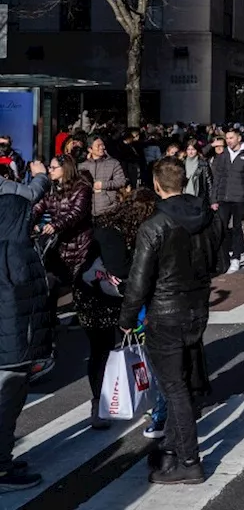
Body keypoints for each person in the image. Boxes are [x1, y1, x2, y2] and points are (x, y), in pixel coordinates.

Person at [119, 156, 225, 484]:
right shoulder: (208, 218)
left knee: (174, 385)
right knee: (184, 381)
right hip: (197, 307)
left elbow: (139, 280)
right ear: (183, 182)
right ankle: (174, 447)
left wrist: (126, 318)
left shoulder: (153, 226)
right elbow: (219, 265)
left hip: (164, 311)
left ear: (156, 186)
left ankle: (189, 459)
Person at [76, 185, 160, 432]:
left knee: (124, 346)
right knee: (102, 350)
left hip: (109, 294)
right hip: (96, 298)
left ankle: (137, 395)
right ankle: (99, 404)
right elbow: (121, 268)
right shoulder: (111, 233)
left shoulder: (116, 227)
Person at [0, 160, 51, 492]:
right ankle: (2, 468)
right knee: (8, 396)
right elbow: (27, 295)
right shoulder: (16, 249)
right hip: (12, 338)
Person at [31, 155, 94, 287]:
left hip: (79, 242)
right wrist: (28, 221)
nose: (50, 170)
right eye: (49, 168)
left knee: (76, 281)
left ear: (65, 169)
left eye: (54, 168)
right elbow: (39, 207)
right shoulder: (52, 188)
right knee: (57, 279)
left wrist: (56, 225)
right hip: (59, 241)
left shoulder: (82, 188)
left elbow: (76, 213)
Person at [210, 128, 244, 273]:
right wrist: (214, 199)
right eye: (227, 138)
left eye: (231, 137)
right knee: (222, 228)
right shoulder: (222, 156)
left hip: (240, 198)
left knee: (238, 228)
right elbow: (217, 179)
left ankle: (236, 258)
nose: (229, 140)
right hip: (223, 198)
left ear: (238, 138)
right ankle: (224, 257)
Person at [80, 135, 127, 217]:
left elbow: (121, 181)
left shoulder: (113, 163)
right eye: (98, 146)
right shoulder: (83, 165)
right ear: (90, 149)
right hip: (87, 209)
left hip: (108, 209)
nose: (102, 147)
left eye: (102, 145)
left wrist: (103, 185)